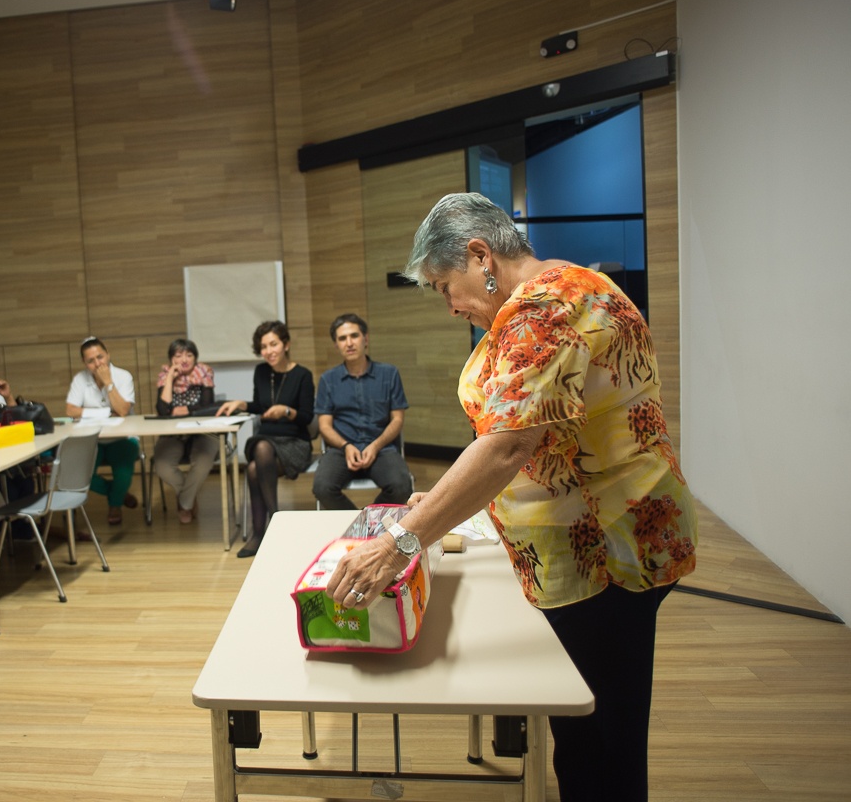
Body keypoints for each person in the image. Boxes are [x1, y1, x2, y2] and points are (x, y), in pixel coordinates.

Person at [324, 192, 696, 802]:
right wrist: (444, 503)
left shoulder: (546, 309)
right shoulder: (563, 288)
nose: (449, 306)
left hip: (607, 554)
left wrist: (399, 543)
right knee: (589, 729)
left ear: (481, 256)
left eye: (445, 287)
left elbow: (506, 446)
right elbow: (535, 436)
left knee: (598, 741)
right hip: (603, 536)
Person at [217, 321, 314, 558]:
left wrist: (286, 411)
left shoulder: (303, 375)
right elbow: (261, 406)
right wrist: (242, 404)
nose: (269, 351)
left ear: (286, 344)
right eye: (263, 347)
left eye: (273, 344)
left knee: (253, 468)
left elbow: (307, 417)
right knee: (260, 451)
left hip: (294, 443)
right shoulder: (261, 372)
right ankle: (273, 526)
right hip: (268, 441)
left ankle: (262, 532)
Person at [312, 314, 413, 510]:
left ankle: (367, 521)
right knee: (322, 487)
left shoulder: (389, 374)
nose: (349, 343)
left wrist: (375, 446)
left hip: (381, 448)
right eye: (342, 338)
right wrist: (346, 446)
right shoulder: (328, 379)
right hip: (341, 450)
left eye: (354, 336)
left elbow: (397, 419)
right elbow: (324, 426)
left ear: (365, 339)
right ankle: (358, 522)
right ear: (336, 345)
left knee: (401, 486)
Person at [66, 337, 140, 526]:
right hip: (93, 439)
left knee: (123, 474)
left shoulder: (123, 376)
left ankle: (115, 504)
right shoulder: (80, 379)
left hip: (122, 437)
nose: (97, 364)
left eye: (100, 357)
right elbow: (71, 411)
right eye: (91, 361)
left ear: (108, 355)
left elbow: (122, 410)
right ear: (85, 363)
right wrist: (106, 412)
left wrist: (108, 382)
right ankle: (117, 494)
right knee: (82, 475)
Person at [152, 339, 218, 524]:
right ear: (171, 359)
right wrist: (169, 379)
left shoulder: (204, 372)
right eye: (178, 355)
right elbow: (162, 410)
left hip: (203, 432)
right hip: (174, 433)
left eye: (189, 355)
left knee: (203, 462)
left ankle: (184, 504)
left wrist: (187, 410)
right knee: (162, 465)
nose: (184, 360)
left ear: (195, 358)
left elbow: (208, 405)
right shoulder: (165, 375)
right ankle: (189, 495)